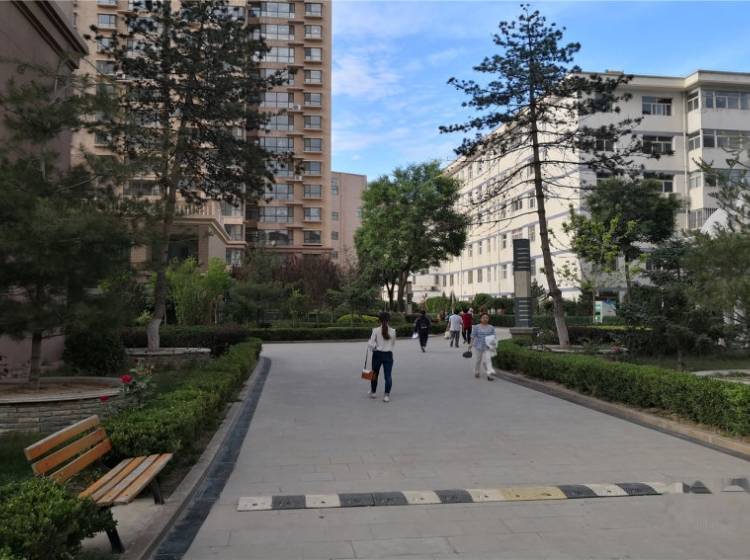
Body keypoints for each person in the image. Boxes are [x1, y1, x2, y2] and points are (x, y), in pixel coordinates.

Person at [367, 311, 396, 402]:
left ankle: (373, 392)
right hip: (388, 355)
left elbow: (371, 344)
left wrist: (376, 346)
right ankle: (386, 395)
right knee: (388, 376)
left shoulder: (375, 330)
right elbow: (393, 344)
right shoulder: (393, 331)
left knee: (374, 374)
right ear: (389, 320)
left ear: (379, 320)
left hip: (377, 354)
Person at [470, 313, 496, 381]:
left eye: (486, 318)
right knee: (478, 360)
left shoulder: (491, 327)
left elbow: (493, 337)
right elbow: (473, 336)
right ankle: (477, 371)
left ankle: (489, 375)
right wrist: (470, 344)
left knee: (487, 360)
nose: (485, 319)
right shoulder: (476, 327)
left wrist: (493, 346)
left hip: (487, 346)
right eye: (483, 317)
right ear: (480, 319)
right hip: (478, 346)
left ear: (488, 319)